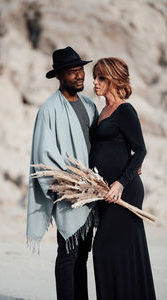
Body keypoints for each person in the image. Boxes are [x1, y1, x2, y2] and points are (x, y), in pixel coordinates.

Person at [27, 46, 98, 300]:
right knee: (67, 253)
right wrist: (65, 187)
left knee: (83, 254)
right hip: (68, 190)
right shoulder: (49, 109)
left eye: (80, 70)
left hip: (92, 191)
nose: (79, 76)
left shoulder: (90, 106)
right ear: (59, 76)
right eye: (72, 72)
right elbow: (42, 154)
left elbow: (99, 145)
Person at [89, 57, 156, 300]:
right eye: (94, 77)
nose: (94, 82)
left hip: (123, 191)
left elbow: (140, 150)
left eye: (101, 78)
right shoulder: (102, 111)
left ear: (114, 79)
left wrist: (120, 182)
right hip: (103, 192)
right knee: (119, 253)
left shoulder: (125, 110)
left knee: (104, 249)